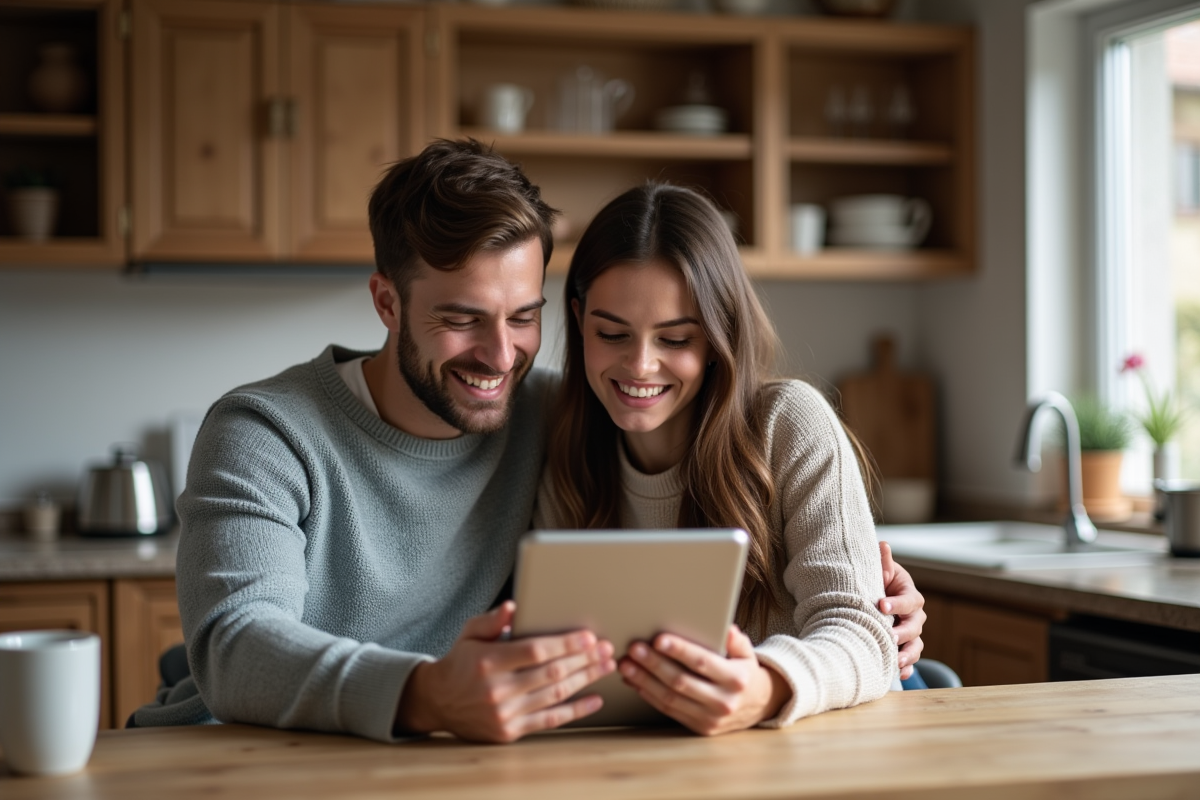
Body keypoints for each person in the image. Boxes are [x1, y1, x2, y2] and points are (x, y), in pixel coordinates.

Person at [133, 139, 924, 744]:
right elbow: (237, 647)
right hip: (264, 750)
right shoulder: (264, 432)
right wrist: (427, 694)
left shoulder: (560, 416)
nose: (500, 355)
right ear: (386, 302)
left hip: (465, 756)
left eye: (522, 317)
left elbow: (838, 614)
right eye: (460, 319)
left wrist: (869, 606)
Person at [535, 182, 906, 735]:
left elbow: (864, 633)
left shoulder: (789, 424)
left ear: (717, 337)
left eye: (676, 340)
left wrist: (766, 686)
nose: (640, 365)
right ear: (578, 318)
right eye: (611, 333)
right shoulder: (567, 453)